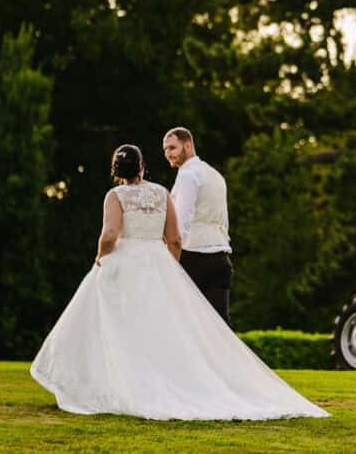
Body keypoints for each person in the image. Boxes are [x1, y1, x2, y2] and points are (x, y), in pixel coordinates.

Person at [29, 144, 329, 421]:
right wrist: (168, 266)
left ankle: (119, 383)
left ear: (116, 171)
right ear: (142, 167)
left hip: (124, 263)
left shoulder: (115, 196)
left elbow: (109, 235)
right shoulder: (161, 193)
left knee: (115, 326)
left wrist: (99, 257)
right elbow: (174, 237)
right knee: (161, 329)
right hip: (156, 261)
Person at [162, 127, 234, 326]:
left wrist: (172, 260)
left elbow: (181, 224)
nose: (168, 153)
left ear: (188, 145)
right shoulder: (215, 175)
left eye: (172, 147)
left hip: (194, 259)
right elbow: (223, 220)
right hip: (221, 259)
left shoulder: (188, 175)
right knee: (220, 330)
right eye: (165, 149)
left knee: (187, 328)